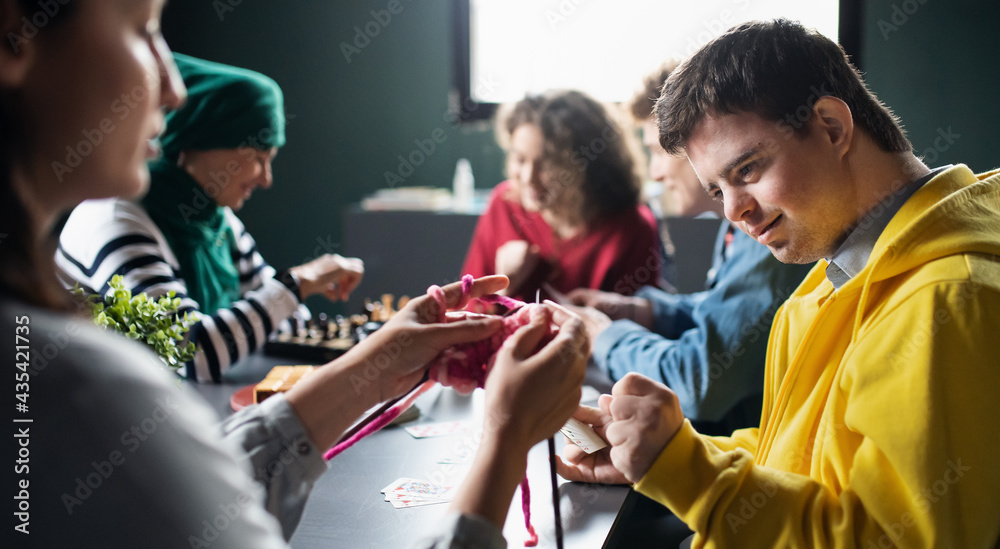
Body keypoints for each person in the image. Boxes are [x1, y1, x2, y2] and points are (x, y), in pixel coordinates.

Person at [0, 2, 587, 548]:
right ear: (15, 34)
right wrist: (507, 439)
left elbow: (208, 500)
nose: (173, 88)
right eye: (142, 30)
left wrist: (375, 363)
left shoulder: (211, 230)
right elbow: (196, 349)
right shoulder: (72, 387)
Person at [557, 19, 1000, 547]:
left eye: (747, 170)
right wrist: (665, 456)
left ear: (832, 128)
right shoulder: (839, 270)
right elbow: (803, 455)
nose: (735, 212)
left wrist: (690, 472)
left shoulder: (946, 301)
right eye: (718, 190)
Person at [56, 52, 364, 383]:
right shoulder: (115, 220)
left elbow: (278, 320)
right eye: (258, 157)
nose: (266, 178)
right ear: (201, 141)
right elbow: (188, 354)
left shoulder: (219, 220)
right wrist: (299, 282)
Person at [566, 61, 813, 435]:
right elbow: (728, 316)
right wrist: (644, 311)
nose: (655, 173)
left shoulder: (767, 229)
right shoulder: (735, 226)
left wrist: (605, 337)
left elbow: (701, 381)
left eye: (660, 152)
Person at [461, 89, 662, 301]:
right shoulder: (503, 205)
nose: (529, 177)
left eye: (547, 164)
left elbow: (638, 326)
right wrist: (502, 286)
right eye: (520, 160)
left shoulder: (631, 228)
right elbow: (468, 311)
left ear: (585, 166)